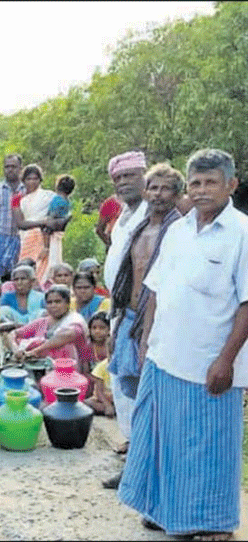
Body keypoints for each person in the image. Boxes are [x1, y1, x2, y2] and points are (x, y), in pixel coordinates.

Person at [119, 149, 248, 540]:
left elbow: (247, 302)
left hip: (208, 362)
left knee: (208, 448)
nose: (202, 190)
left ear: (231, 185)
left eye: (211, 182)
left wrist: (226, 361)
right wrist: (145, 341)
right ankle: (163, 510)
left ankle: (212, 523)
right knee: (161, 440)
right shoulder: (178, 229)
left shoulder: (242, 233)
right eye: (196, 183)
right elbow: (155, 289)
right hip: (163, 356)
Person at [105, 162, 184, 489]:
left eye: (167, 189)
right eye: (154, 188)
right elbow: (128, 277)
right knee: (133, 393)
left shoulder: (179, 230)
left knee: (156, 398)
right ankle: (138, 466)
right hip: (129, 318)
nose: (159, 195)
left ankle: (155, 471)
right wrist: (117, 321)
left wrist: (150, 335)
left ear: (178, 194)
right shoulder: (137, 226)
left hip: (159, 323)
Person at [0, 285, 90, 365]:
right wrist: (16, 349)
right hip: (40, 368)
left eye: (58, 302)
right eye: (49, 302)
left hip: (69, 371)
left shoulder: (75, 319)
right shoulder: (42, 322)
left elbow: (68, 335)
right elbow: (13, 333)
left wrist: (35, 351)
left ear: (67, 303)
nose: (53, 305)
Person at [12, 164, 68, 287]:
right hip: (28, 239)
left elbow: (61, 215)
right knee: (28, 268)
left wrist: (52, 225)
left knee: (48, 268)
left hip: (47, 238)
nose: (32, 182)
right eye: (29, 179)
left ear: (40, 180)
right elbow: (21, 224)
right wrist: (43, 222)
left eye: (35, 179)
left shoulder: (49, 197)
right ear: (23, 181)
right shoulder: (18, 199)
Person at [102, 150, 148, 294]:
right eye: (117, 178)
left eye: (129, 176)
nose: (122, 182)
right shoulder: (123, 213)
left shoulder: (152, 211)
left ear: (144, 176)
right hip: (120, 302)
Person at [0, 154, 25, 281]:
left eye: (13, 166)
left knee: (21, 272)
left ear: (20, 168)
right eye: (7, 167)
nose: (10, 169)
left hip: (23, 238)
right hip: (3, 237)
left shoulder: (26, 189)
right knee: (2, 275)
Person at [84, 312, 115, 417]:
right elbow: (85, 372)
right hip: (97, 386)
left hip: (111, 385)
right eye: (94, 328)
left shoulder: (112, 346)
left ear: (109, 330)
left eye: (102, 328)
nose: (97, 331)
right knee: (88, 402)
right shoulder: (87, 347)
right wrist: (98, 379)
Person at [40, 174, 75, 265]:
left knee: (45, 231)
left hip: (54, 222)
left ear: (58, 186)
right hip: (60, 225)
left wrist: (48, 219)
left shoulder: (57, 199)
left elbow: (53, 213)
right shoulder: (67, 201)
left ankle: (46, 247)